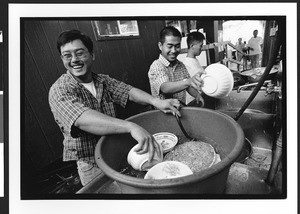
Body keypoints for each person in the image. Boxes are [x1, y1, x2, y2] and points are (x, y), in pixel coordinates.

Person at [48, 30, 181, 186]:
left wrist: (156, 101)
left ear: (92, 55)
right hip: (92, 164)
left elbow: (128, 91)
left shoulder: (102, 80)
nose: (74, 60)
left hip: (114, 152)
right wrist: (130, 126)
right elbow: (82, 119)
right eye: (67, 55)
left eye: (80, 53)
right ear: (62, 59)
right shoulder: (59, 89)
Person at [148, 26, 203, 106]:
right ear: (160, 46)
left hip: (182, 109)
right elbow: (165, 88)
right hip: (164, 114)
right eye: (169, 46)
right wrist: (188, 82)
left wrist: (197, 95)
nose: (173, 50)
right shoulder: (156, 66)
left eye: (177, 46)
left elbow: (188, 86)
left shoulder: (181, 65)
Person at [182, 31, 206, 105]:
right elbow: (187, 85)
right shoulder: (186, 64)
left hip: (199, 97)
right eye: (200, 46)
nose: (202, 48)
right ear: (192, 46)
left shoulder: (195, 60)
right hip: (193, 101)